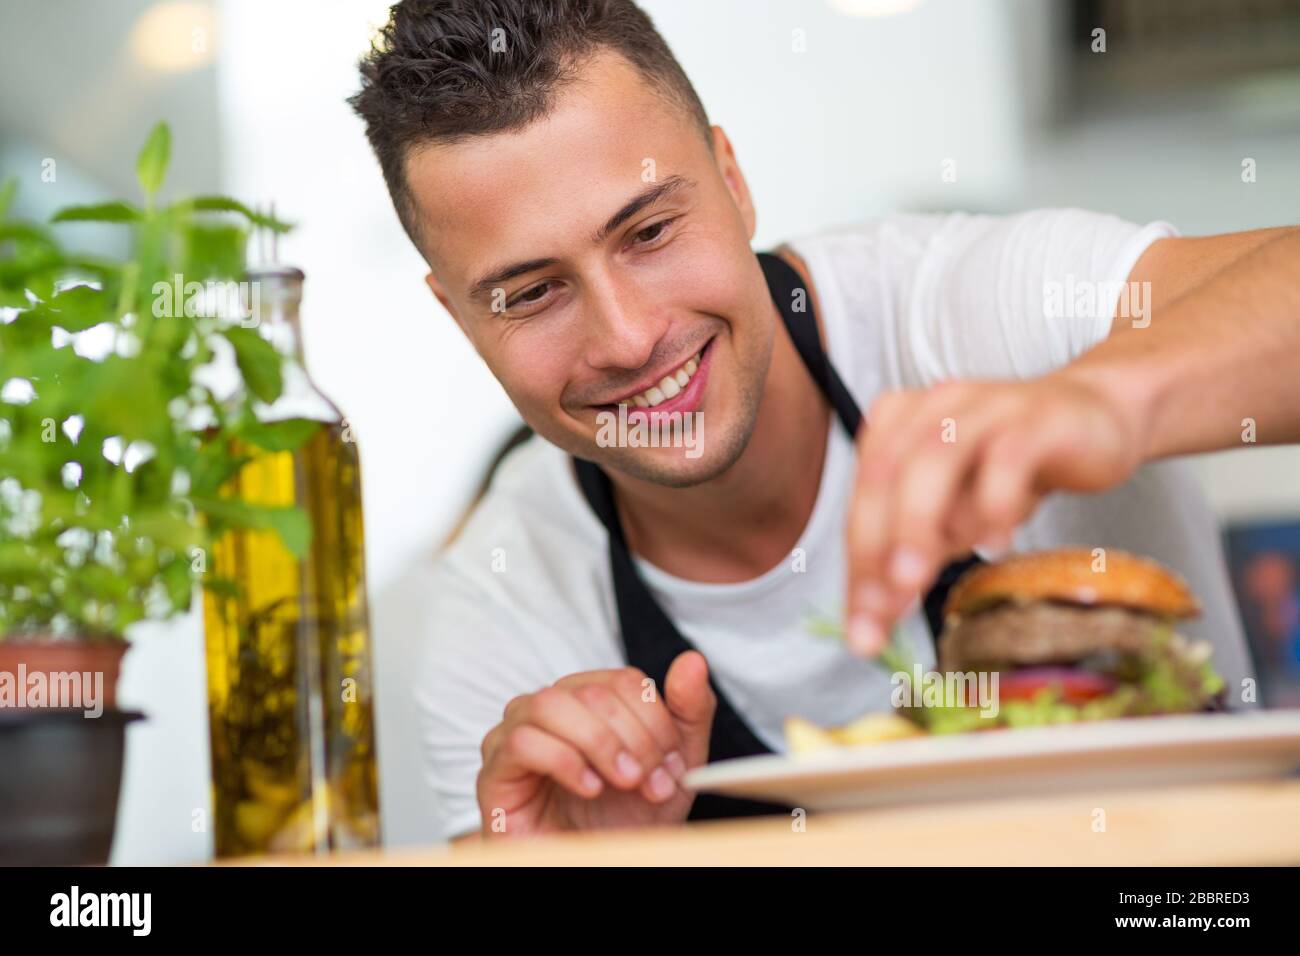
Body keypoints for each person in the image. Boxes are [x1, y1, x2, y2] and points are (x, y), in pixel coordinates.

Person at [350, 0, 1298, 840]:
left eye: (649, 232)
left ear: (732, 179)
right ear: (460, 315)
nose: (629, 338)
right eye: (532, 292)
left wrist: (1103, 396)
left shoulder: (960, 306)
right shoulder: (502, 610)